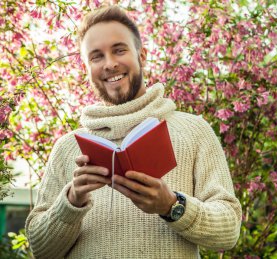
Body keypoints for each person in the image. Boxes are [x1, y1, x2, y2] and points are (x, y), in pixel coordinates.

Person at [25, 5, 242, 259]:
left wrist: (172, 205)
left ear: (142, 55)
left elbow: (229, 230)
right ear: (87, 68)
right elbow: (40, 249)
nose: (110, 64)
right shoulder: (67, 147)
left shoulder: (194, 131)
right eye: (96, 56)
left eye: (119, 50)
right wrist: (72, 201)